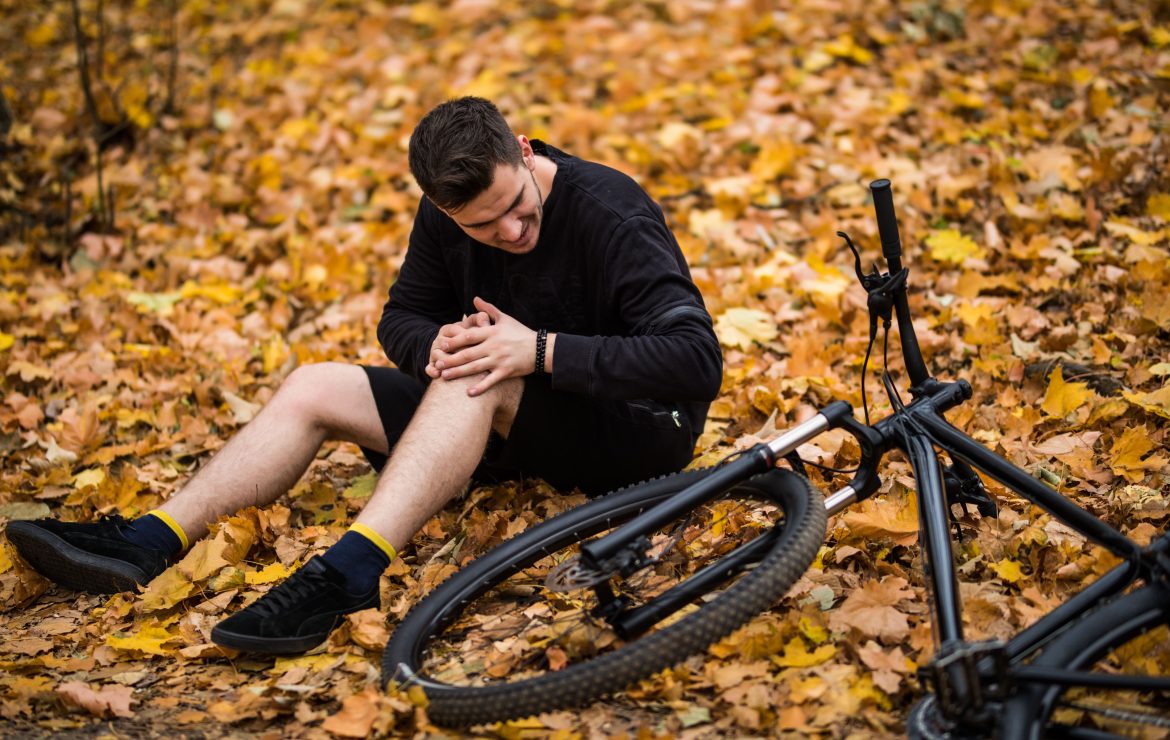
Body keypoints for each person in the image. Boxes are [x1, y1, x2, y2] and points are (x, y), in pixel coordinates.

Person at [6, 97, 722, 655]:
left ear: (525, 152)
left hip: (638, 431)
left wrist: (538, 351)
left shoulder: (611, 213)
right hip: (511, 421)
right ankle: (151, 539)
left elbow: (696, 362)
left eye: (514, 207)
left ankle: (349, 573)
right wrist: (432, 344)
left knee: (483, 372)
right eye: (481, 225)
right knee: (315, 383)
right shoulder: (445, 214)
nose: (507, 232)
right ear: (445, 209)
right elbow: (402, 318)